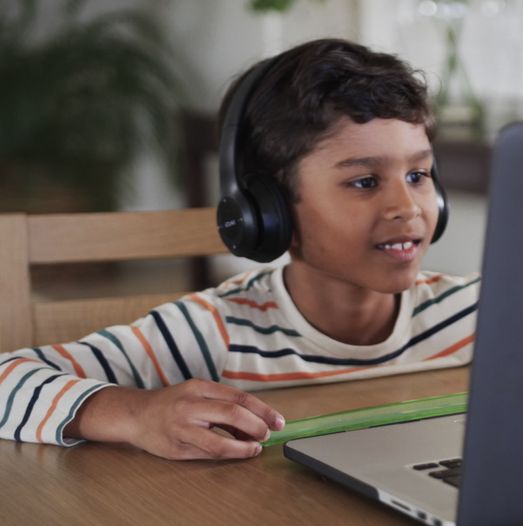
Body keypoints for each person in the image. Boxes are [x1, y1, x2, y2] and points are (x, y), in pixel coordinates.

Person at [0, 39, 479, 460]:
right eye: (364, 181)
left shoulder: (480, 314)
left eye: (417, 176)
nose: (408, 207)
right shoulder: (216, 331)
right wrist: (137, 413)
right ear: (266, 211)